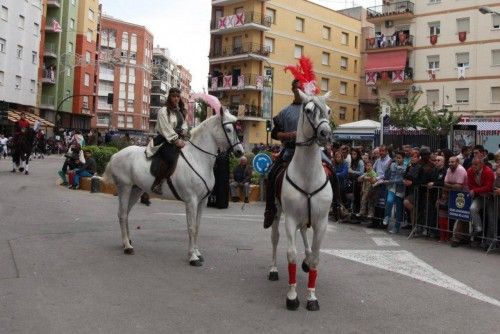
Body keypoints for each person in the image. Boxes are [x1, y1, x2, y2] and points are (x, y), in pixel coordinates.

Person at [263, 80, 303, 228]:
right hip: (290, 150)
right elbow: (274, 133)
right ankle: (270, 210)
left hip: (310, 150)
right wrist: (288, 135)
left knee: (329, 166)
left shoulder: (312, 108)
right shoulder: (285, 112)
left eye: (302, 88)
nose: (300, 90)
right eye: (297, 88)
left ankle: (337, 205)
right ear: (293, 90)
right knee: (272, 174)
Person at [145, 87, 188, 195]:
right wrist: (176, 140)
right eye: (174, 96)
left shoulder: (179, 112)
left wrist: (184, 131)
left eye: (178, 97)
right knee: (170, 156)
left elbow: (184, 124)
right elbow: (166, 128)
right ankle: (157, 183)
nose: (176, 99)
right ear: (169, 97)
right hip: (164, 140)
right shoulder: (163, 111)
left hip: (178, 138)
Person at [467, 157, 494, 245]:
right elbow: (470, 185)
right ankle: (478, 228)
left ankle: (489, 242)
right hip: (479, 196)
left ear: (482, 165)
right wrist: (478, 191)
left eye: (476, 164)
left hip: (490, 198)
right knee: (472, 208)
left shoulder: (488, 172)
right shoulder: (470, 171)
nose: (473, 166)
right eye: (472, 164)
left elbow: (488, 187)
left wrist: (476, 191)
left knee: (491, 219)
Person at [383, 151, 406, 233]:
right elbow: (388, 174)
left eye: (400, 158)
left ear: (403, 158)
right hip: (392, 187)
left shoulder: (405, 167)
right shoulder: (392, 165)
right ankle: (387, 216)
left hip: (400, 189)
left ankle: (396, 227)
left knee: (399, 209)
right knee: (389, 201)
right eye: (396, 157)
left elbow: (403, 179)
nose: (398, 159)